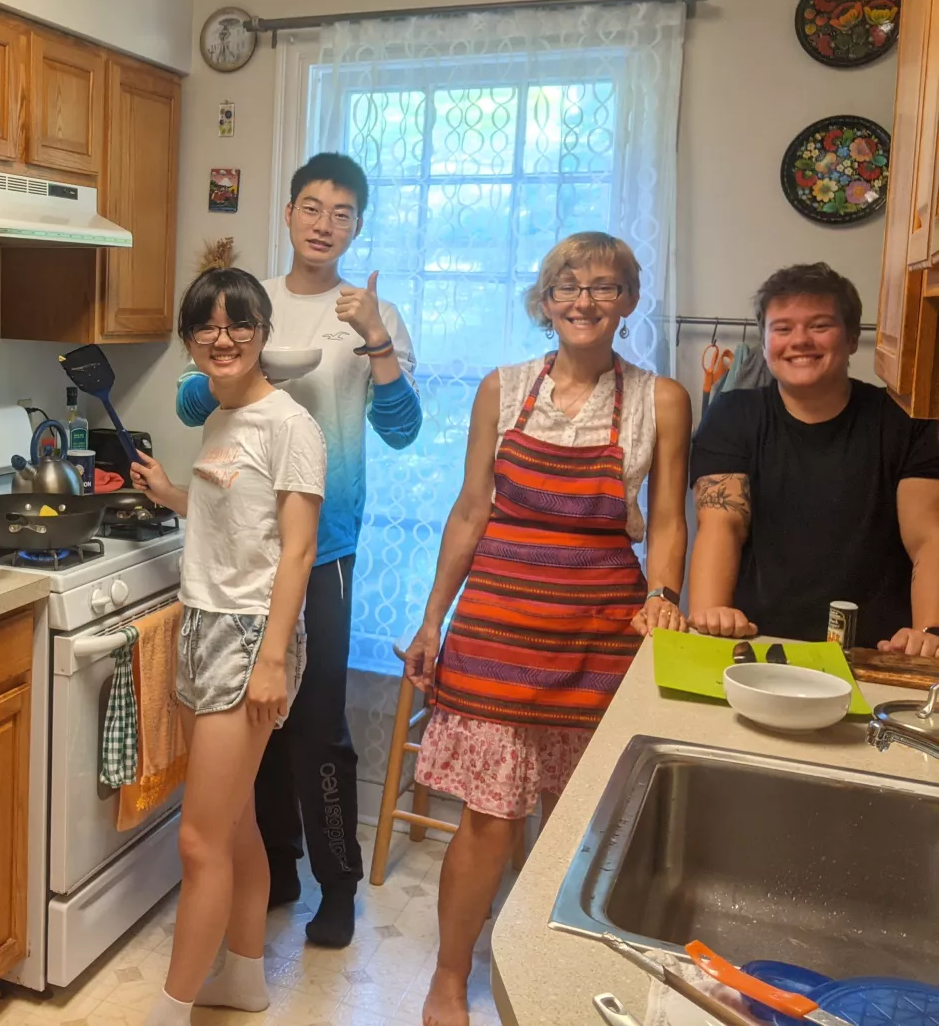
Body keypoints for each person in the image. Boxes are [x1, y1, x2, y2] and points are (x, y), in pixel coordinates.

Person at [402, 233, 690, 1026]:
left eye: (604, 287)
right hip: (497, 625)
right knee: (489, 821)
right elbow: (470, 511)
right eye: (568, 286)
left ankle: (548, 977)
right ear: (545, 300)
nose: (584, 301)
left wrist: (665, 593)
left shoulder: (661, 400)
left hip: (601, 634)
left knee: (580, 829)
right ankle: (449, 980)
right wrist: (432, 620)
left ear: (628, 301)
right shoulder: (503, 388)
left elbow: (668, 522)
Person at [175, 152, 421, 947]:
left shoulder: (369, 314)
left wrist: (376, 338)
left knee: (316, 722)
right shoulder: (252, 302)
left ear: (357, 226)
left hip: (326, 551)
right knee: (257, 719)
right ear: (286, 214)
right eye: (312, 207)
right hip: (239, 548)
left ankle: (337, 886)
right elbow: (190, 402)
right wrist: (228, 361)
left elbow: (404, 430)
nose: (325, 223)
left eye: (342, 213)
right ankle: (275, 867)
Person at [132, 264, 325, 1026]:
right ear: (189, 340)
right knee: (235, 822)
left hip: (250, 638)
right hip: (203, 624)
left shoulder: (290, 424)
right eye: (207, 326)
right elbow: (232, 518)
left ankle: (170, 1010)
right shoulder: (218, 415)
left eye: (239, 323)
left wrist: (272, 659)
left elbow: (299, 550)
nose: (224, 338)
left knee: (198, 840)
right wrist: (174, 496)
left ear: (263, 333)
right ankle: (242, 978)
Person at [686, 263, 939, 657]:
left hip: (877, 652)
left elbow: (929, 538)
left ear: (853, 338)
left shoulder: (909, 421)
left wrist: (929, 632)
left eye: (820, 325)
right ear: (766, 341)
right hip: (759, 644)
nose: (799, 340)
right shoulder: (732, 414)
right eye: (782, 328)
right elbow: (722, 524)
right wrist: (709, 617)